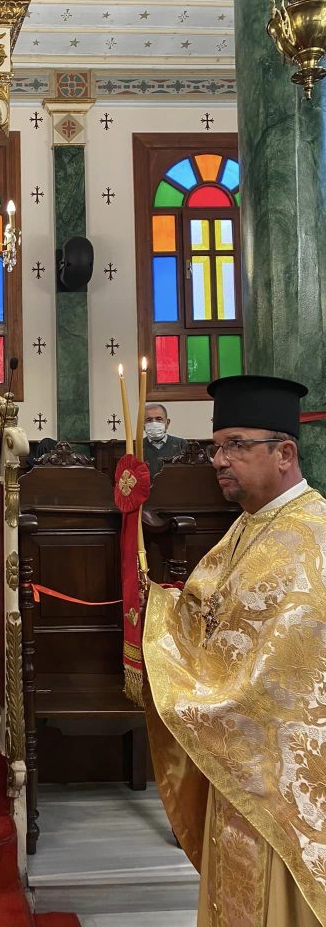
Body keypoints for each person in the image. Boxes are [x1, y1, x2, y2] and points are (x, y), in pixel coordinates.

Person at [143, 374, 326, 926]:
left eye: (236, 446)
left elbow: (276, 677)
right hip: (242, 767)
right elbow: (206, 615)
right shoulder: (252, 525)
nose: (219, 460)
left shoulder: (308, 537)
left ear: (284, 453)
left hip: (284, 783)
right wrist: (148, 608)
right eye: (216, 447)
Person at [142, 401, 187, 477]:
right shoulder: (136, 447)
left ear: (167, 423)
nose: (154, 423)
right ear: (143, 425)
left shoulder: (181, 444)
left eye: (159, 419)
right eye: (149, 420)